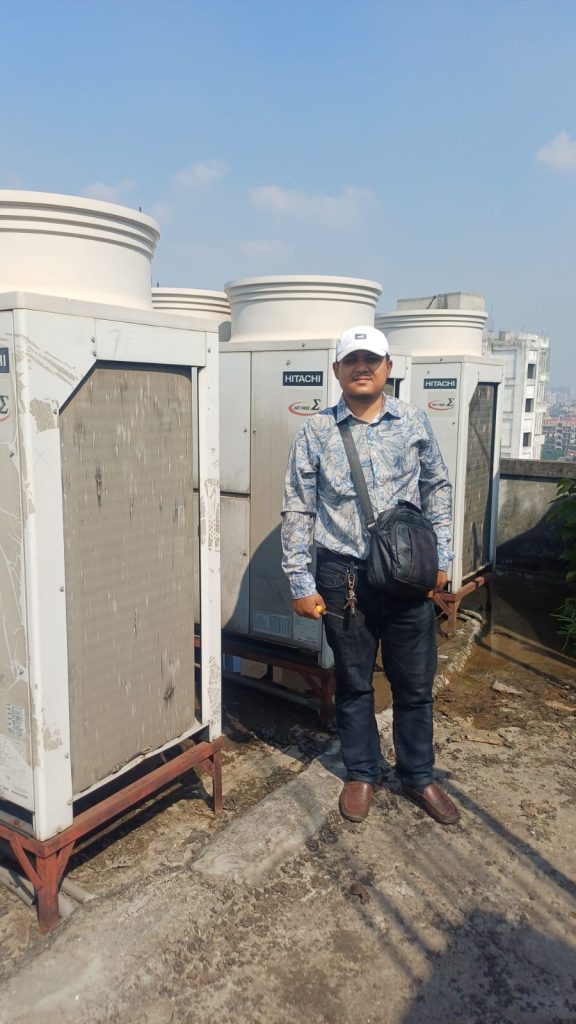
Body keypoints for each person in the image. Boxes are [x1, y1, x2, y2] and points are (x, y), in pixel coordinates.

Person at [281, 325, 460, 825]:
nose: (362, 367)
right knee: (355, 682)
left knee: (415, 684)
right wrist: (300, 580)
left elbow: (437, 488)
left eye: (372, 359)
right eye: (352, 359)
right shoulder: (316, 430)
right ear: (337, 370)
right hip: (344, 577)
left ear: (388, 367)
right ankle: (362, 772)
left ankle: (418, 776)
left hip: (408, 574)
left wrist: (442, 558)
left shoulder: (414, 420)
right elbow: (298, 506)